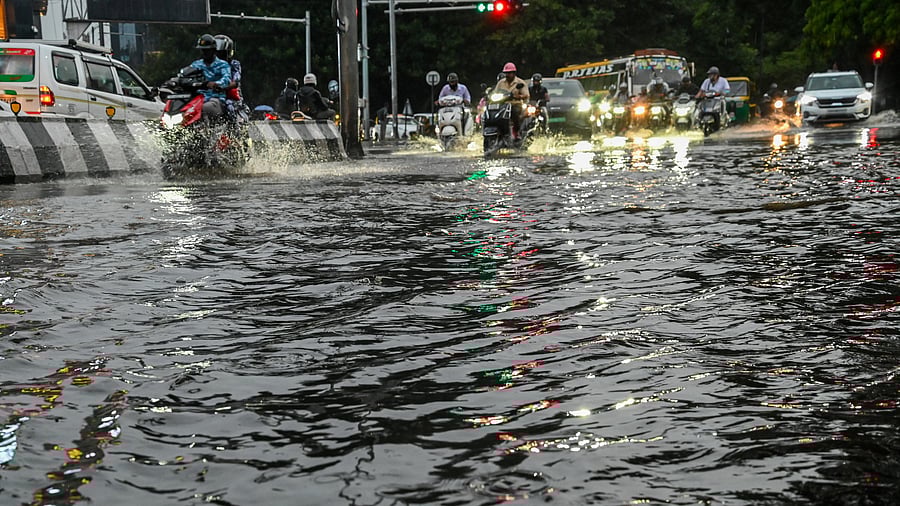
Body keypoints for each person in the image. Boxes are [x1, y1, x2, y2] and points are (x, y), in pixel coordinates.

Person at [189, 33, 232, 121]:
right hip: (196, 99)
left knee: (203, 109)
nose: (205, 53)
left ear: (214, 50)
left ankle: (205, 133)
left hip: (215, 99)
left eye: (207, 50)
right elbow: (186, 75)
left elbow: (226, 79)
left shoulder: (223, 65)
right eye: (202, 50)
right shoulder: (196, 65)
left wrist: (216, 84)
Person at [213, 34, 246, 122]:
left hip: (230, 97)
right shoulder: (206, 65)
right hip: (210, 95)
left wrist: (222, 86)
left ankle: (232, 132)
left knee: (229, 106)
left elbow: (236, 79)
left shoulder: (234, 64)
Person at [493, 62, 530, 139]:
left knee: (515, 112)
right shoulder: (501, 82)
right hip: (502, 105)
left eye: (509, 73)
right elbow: (495, 92)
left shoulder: (520, 82)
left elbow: (526, 95)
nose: (507, 75)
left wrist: (518, 96)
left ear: (514, 73)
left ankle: (516, 132)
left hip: (515, 104)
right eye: (506, 73)